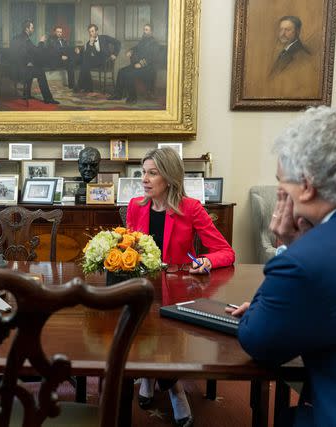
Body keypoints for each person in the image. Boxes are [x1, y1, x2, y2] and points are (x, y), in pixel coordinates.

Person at [227, 105, 336, 427]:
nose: (281, 195)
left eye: (282, 184)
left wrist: (286, 249)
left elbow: (259, 342)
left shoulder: (306, 261)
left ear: (307, 186)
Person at [126, 147, 235, 427]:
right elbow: (128, 249)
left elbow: (225, 251)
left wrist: (206, 261)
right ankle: (151, 379)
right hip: (142, 286)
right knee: (139, 325)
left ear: (170, 177)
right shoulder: (135, 206)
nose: (145, 179)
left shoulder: (191, 208)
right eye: (143, 173)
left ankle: (172, 387)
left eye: (153, 173)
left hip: (176, 292)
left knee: (165, 334)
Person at [10, 20, 59, 104]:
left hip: (14, 69)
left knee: (32, 67)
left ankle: (27, 94)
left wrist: (28, 61)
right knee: (40, 72)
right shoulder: (26, 40)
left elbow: (21, 54)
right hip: (21, 71)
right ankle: (48, 99)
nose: (33, 29)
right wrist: (41, 41)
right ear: (27, 29)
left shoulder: (17, 37)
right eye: (32, 28)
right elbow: (36, 52)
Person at [108, 24, 161, 103]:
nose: (144, 31)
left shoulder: (154, 43)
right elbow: (136, 48)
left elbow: (152, 58)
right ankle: (118, 94)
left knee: (129, 74)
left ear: (151, 32)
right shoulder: (143, 41)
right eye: (144, 29)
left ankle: (132, 98)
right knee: (121, 71)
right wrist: (130, 51)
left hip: (148, 68)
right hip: (138, 66)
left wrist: (141, 64)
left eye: (147, 30)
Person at [74, 24, 120, 93]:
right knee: (85, 62)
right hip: (96, 61)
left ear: (97, 31)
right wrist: (91, 44)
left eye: (92, 31)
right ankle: (87, 87)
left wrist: (115, 54)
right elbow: (87, 55)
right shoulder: (89, 43)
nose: (91, 33)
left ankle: (86, 86)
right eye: (89, 32)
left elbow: (118, 43)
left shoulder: (104, 38)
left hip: (106, 61)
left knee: (84, 64)